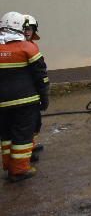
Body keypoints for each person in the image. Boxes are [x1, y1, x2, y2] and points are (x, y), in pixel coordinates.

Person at [0, 11, 49, 182]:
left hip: (2, 104)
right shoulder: (27, 48)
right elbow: (41, 76)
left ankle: (9, 165)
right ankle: (19, 170)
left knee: (6, 135)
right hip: (25, 102)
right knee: (22, 136)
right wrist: (45, 97)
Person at [22, 15, 44, 162]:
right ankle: (25, 153)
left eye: (29, 29)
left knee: (36, 121)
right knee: (24, 124)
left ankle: (30, 145)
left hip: (33, 90)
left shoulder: (32, 45)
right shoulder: (17, 46)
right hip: (23, 91)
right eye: (24, 29)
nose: (27, 31)